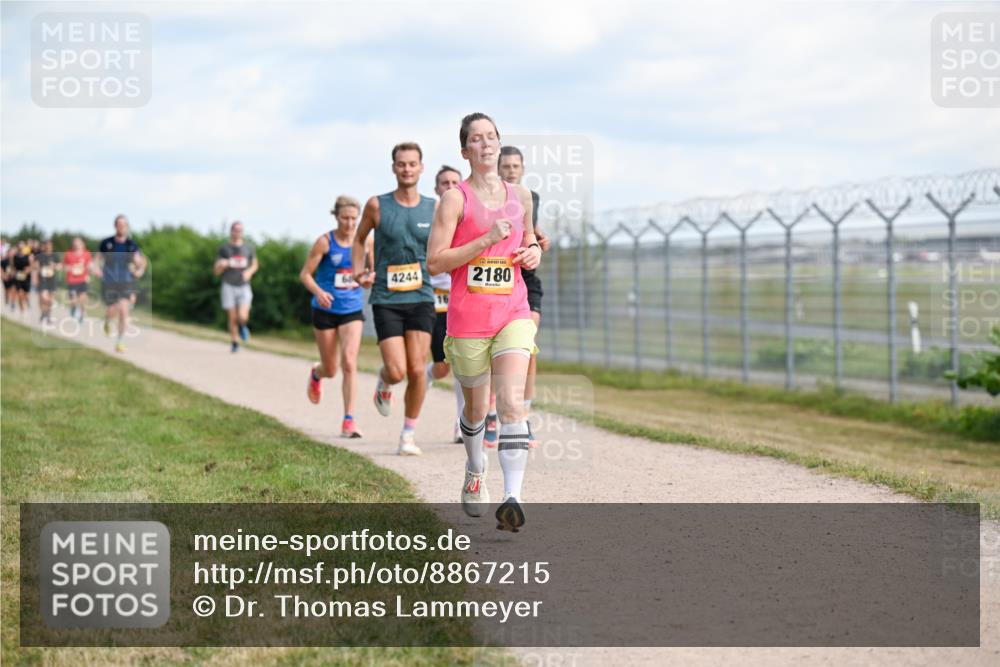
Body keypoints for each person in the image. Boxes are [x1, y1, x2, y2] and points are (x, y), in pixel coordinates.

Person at [427, 112, 542, 532]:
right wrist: (485, 240)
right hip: (468, 321)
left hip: (512, 311)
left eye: (492, 136)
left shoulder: (522, 195)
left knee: (511, 402)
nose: (487, 143)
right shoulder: (454, 200)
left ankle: (512, 497)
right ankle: (475, 467)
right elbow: (436, 260)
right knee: (476, 410)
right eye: (477, 139)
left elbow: (529, 241)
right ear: (465, 151)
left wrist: (533, 253)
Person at [353, 142, 437, 456]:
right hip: (386, 297)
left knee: (418, 371)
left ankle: (407, 435)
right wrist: (360, 269)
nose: (407, 169)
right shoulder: (377, 205)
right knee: (398, 370)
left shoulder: (434, 206)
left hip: (421, 295)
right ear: (394, 168)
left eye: (412, 164)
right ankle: (385, 382)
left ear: (421, 168)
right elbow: (359, 240)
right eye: (401, 164)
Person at [300, 195, 373, 439]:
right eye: (345, 218)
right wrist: (319, 292)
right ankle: (316, 373)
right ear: (336, 216)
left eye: (354, 218)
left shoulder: (366, 242)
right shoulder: (324, 242)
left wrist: (368, 278)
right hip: (325, 310)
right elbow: (305, 275)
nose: (350, 224)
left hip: (351, 310)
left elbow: (371, 272)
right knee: (331, 369)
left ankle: (349, 420)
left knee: (350, 363)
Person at [497, 145, 551, 448]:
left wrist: (539, 243)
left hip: (526, 281)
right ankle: (496, 410)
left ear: (523, 168)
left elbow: (529, 229)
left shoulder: (531, 197)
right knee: (497, 353)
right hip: (499, 278)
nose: (511, 171)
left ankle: (522, 415)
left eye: (516, 166)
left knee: (527, 346)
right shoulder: (488, 198)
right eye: (506, 166)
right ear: (497, 169)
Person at [427, 165, 466, 444]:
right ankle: (428, 374)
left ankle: (461, 424)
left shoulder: (468, 215)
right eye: (444, 182)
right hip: (431, 299)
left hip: (460, 295)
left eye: (455, 181)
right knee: (442, 367)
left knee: (463, 364)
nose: (450, 185)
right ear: (436, 188)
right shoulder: (425, 217)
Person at [97, 214, 146, 353]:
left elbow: (139, 262)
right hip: (109, 281)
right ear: (115, 226)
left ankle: (119, 341)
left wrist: (139, 269)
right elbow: (97, 261)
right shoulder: (106, 243)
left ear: (127, 226)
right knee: (112, 310)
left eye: (124, 224)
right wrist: (97, 271)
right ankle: (107, 321)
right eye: (119, 224)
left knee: (124, 310)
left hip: (126, 281)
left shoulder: (131, 245)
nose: (121, 227)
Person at [213, 221, 258, 353]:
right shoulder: (224, 249)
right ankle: (234, 342)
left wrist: (249, 272)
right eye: (235, 230)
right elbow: (216, 271)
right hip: (228, 285)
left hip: (244, 285)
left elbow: (255, 265)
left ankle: (243, 326)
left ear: (242, 232)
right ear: (231, 231)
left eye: (240, 230)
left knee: (242, 316)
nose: (237, 232)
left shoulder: (249, 248)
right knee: (232, 317)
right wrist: (222, 265)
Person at [63, 237, 93, 322]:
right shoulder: (68, 254)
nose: (76, 244)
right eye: (75, 243)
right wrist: (69, 268)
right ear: (73, 244)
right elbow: (64, 266)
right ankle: (73, 308)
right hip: (72, 280)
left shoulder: (86, 253)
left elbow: (89, 265)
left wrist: (89, 272)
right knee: (73, 298)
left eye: (78, 243)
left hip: (83, 279)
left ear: (82, 244)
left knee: (83, 298)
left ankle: (82, 315)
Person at [35, 239, 60, 324]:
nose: (48, 247)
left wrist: (55, 266)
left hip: (52, 280)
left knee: (50, 300)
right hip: (42, 280)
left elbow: (60, 266)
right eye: (46, 245)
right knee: (43, 298)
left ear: (52, 246)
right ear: (44, 246)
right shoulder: (40, 256)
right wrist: (40, 270)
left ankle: (48, 315)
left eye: (49, 245)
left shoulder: (55, 256)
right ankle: (43, 312)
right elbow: (36, 267)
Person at [11, 240, 33, 315]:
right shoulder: (15, 257)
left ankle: (27, 302)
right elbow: (13, 267)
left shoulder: (28, 256)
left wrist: (28, 270)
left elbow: (31, 266)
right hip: (18, 278)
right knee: (20, 294)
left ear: (24, 246)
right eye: (19, 245)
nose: (20, 246)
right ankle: (22, 311)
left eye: (22, 245)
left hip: (26, 278)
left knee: (25, 295)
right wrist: (13, 273)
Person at [2, 246, 16, 311]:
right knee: (7, 291)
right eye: (10, 253)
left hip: (13, 278)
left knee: (13, 289)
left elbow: (18, 269)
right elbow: (1, 269)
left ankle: (13, 303)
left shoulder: (15, 261)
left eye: (12, 253)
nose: (11, 254)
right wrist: (3, 275)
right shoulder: (4, 261)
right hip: (6, 278)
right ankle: (7, 300)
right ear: (7, 253)